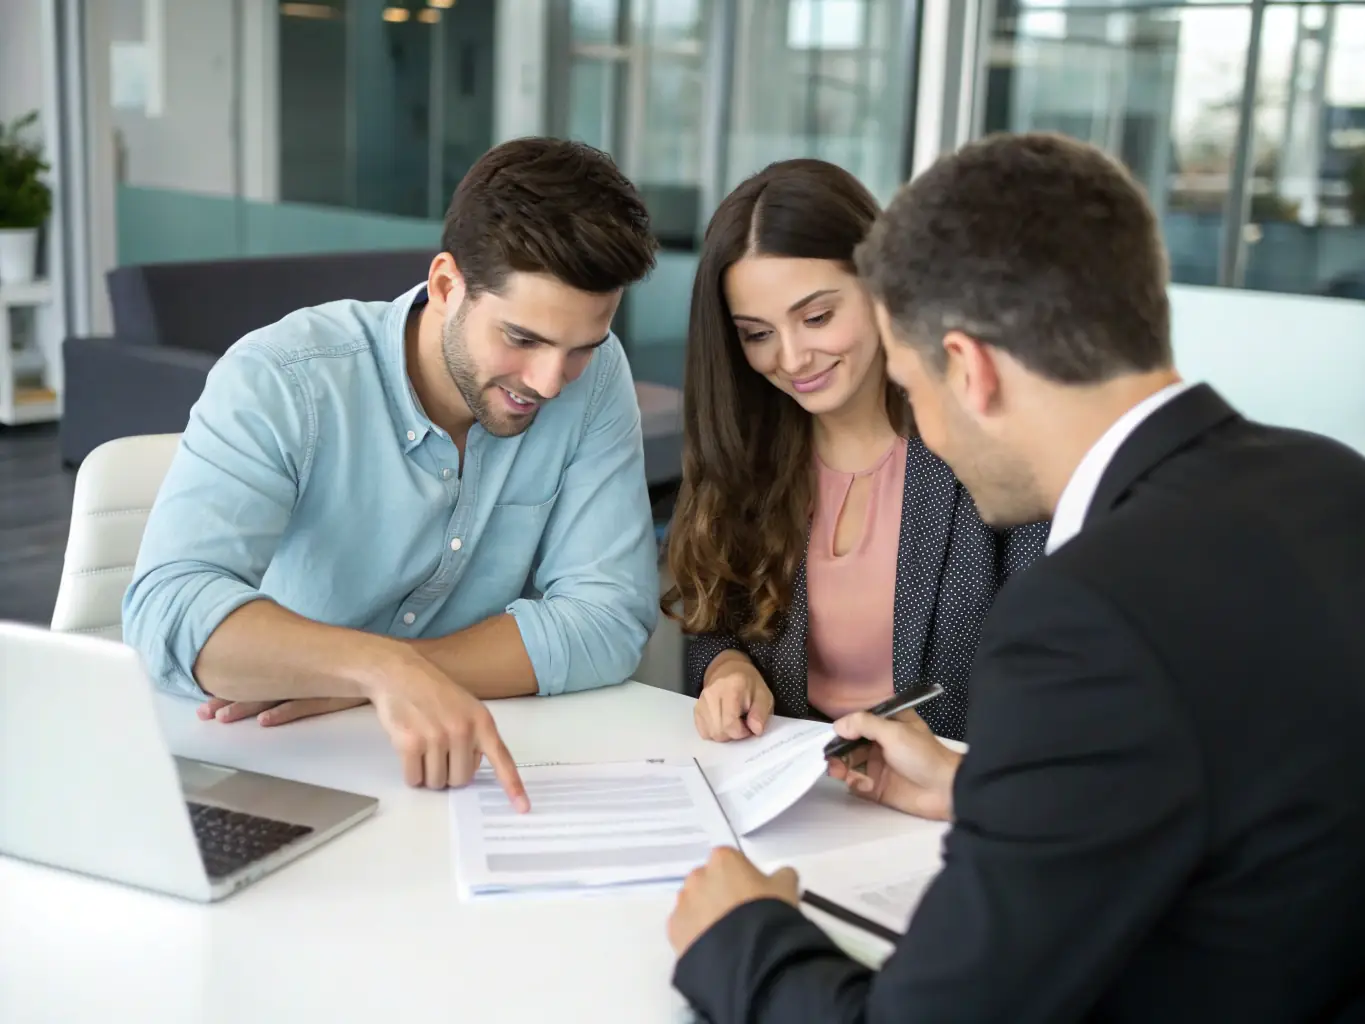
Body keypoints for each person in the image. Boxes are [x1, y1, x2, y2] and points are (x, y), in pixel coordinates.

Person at [666, 133, 1365, 1022]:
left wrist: (744, 935)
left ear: (971, 370)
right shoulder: (1333, 483)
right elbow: (1235, 800)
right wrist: (971, 790)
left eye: (915, 390)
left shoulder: (1084, 614)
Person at [123, 138, 662, 806]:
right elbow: (167, 611)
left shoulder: (595, 374)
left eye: (581, 346)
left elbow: (609, 616)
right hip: (273, 762)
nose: (551, 381)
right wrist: (377, 668)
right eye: (521, 339)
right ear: (445, 285)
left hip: (471, 771)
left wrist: (400, 677)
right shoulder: (285, 379)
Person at [663, 159, 1047, 744]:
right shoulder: (744, 447)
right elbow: (715, 626)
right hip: (790, 789)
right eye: (757, 334)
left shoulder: (988, 438)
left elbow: (1051, 660)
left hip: (950, 795)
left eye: (816, 317)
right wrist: (728, 668)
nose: (791, 359)